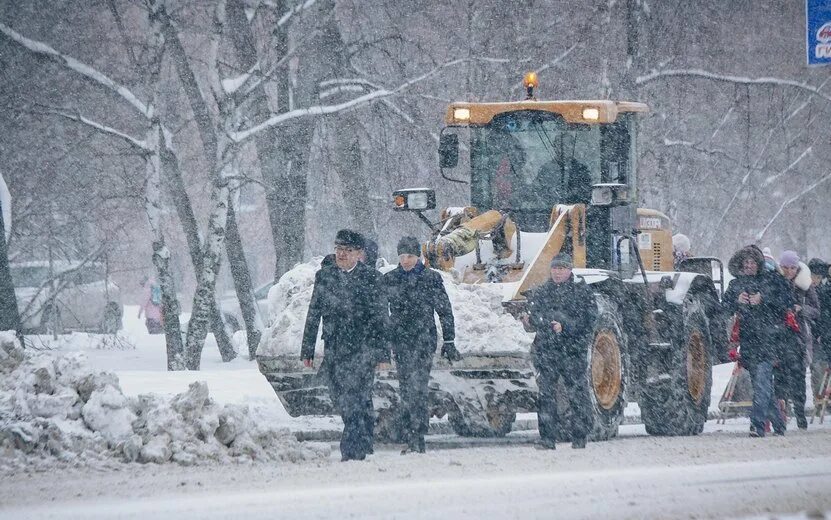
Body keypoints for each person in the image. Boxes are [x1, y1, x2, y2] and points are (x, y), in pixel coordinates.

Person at [301, 229, 388, 461]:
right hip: (335, 348)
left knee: (354, 398)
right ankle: (364, 435)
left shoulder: (372, 279)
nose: (340, 254)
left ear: (359, 254)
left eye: (347, 250)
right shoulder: (325, 277)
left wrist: (382, 353)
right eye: (338, 249)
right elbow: (313, 313)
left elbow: (381, 318)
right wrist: (307, 350)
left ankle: (352, 449)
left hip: (363, 349)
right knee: (341, 397)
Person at [383, 236, 458, 454]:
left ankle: (417, 435)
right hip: (400, 340)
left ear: (418, 257)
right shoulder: (390, 279)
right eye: (401, 257)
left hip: (423, 340)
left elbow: (444, 310)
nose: (405, 261)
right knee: (406, 388)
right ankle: (413, 434)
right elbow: (379, 312)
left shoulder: (430, 278)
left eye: (410, 256)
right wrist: (383, 337)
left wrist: (449, 340)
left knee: (418, 387)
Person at [524, 252, 597, 449]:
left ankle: (580, 436)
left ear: (570, 270)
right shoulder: (542, 292)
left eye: (562, 268)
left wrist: (565, 326)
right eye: (555, 268)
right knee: (546, 395)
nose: (558, 272)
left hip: (572, 351)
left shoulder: (582, 292)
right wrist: (534, 322)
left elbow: (589, 321)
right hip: (547, 351)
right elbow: (535, 315)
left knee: (577, 393)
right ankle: (547, 438)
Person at [723, 245, 792, 437]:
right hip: (749, 344)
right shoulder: (736, 285)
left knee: (762, 384)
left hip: (769, 341)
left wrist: (764, 299)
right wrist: (737, 300)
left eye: (752, 262)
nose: (749, 266)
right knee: (763, 386)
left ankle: (757, 425)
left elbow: (786, 302)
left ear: (758, 264)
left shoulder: (772, 280)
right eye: (745, 262)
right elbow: (723, 308)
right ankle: (779, 424)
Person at [776, 251, 819, 430]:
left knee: (798, 377)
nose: (788, 271)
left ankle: (800, 415)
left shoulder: (805, 286)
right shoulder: (776, 283)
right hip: (779, 335)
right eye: (785, 267)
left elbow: (816, 310)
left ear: (797, 268)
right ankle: (781, 415)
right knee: (779, 378)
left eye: (792, 267)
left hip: (799, 337)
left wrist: (801, 309)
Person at [808, 258, 830, 399]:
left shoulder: (825, 292)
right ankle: (819, 397)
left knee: (822, 366)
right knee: (816, 367)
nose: (815, 279)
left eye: (818, 277)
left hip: (823, 335)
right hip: (812, 335)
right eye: (813, 276)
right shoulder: (805, 291)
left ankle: (824, 396)